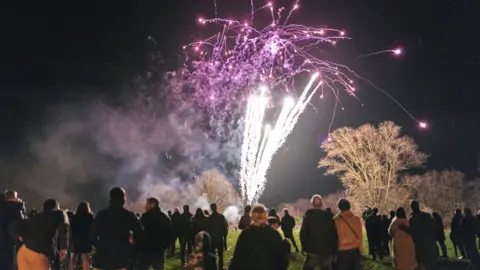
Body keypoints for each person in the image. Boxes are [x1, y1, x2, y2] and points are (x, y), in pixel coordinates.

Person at [90, 187, 144, 270]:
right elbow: (140, 235)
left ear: (110, 198)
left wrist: (101, 246)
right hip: (120, 260)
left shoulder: (101, 215)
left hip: (101, 259)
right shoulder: (128, 216)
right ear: (123, 199)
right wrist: (130, 250)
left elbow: (92, 236)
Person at [11, 198, 69, 270]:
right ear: (56, 208)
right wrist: (64, 247)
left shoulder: (34, 217)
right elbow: (63, 228)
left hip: (23, 252)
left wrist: (19, 237)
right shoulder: (58, 214)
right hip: (39, 254)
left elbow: (13, 226)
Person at [229, 204, 288, 270]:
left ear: (252, 217)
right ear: (266, 216)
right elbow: (282, 259)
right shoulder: (274, 234)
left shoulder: (245, 234)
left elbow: (237, 259)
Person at [300, 194, 338, 270]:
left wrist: (304, 247)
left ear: (312, 204)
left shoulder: (308, 216)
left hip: (312, 250)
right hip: (326, 250)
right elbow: (334, 234)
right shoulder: (328, 217)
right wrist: (334, 249)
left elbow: (303, 233)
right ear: (321, 204)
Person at [138, 197, 173, 270]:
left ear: (152, 205)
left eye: (147, 204)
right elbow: (170, 235)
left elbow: (139, 232)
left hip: (146, 251)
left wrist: (140, 246)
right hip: (159, 251)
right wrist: (163, 247)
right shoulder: (165, 218)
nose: (145, 206)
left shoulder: (145, 217)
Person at [0, 190, 26, 269]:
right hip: (13, 238)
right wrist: (21, 205)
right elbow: (23, 221)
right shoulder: (17, 207)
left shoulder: (2, 206)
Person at [334, 198, 363, 270]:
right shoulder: (356, 219)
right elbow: (360, 235)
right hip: (355, 250)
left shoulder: (335, 220)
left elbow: (334, 238)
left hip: (342, 252)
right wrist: (360, 249)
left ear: (339, 207)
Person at [409, 200, 437, 270]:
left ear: (411, 207)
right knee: (430, 263)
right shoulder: (427, 216)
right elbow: (433, 227)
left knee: (419, 263)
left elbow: (411, 231)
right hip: (429, 242)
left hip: (419, 244)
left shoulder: (412, 218)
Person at [68, 202, 94, 270]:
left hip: (75, 239)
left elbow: (71, 228)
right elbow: (93, 228)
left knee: (73, 258)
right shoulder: (90, 217)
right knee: (85, 259)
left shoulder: (74, 217)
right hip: (86, 240)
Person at [207, 203, 228, 270]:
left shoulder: (209, 218)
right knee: (220, 255)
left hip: (212, 239)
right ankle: (220, 268)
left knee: (212, 255)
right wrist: (224, 236)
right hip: (219, 238)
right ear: (216, 207)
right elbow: (225, 228)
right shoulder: (221, 217)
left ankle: (214, 268)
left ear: (211, 208)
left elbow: (207, 229)